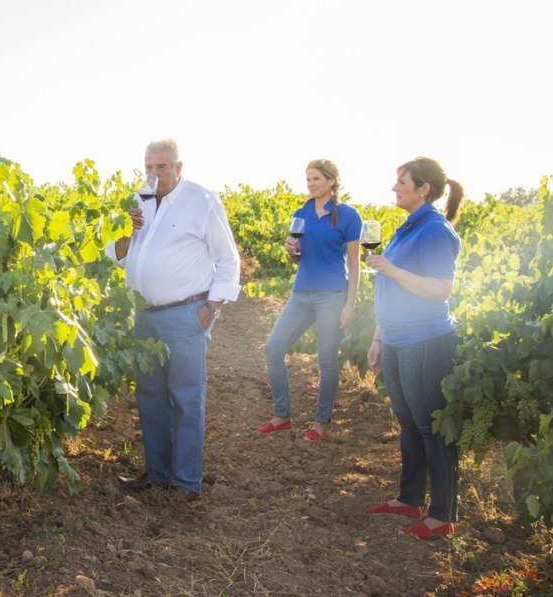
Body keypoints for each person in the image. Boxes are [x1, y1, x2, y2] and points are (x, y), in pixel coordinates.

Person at [105, 139, 241, 503]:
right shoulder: (140, 202)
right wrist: (128, 231)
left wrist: (212, 308)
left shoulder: (201, 201)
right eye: (148, 167)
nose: (153, 174)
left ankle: (185, 483)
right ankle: (157, 475)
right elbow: (116, 256)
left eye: (162, 167)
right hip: (145, 316)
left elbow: (228, 259)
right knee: (150, 396)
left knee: (185, 397)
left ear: (179, 168)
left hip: (186, 314)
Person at [364, 156, 464, 539]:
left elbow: (442, 289)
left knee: (430, 426)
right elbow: (389, 289)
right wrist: (378, 337)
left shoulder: (436, 231)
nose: (394, 188)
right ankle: (409, 499)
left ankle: (442, 515)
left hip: (424, 340)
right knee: (408, 422)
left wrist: (391, 269)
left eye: (402, 182)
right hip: (395, 338)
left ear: (423, 189)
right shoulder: (407, 227)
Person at [259, 159, 362, 441]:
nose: (311, 184)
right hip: (301, 292)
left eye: (316, 178)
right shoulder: (301, 213)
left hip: (332, 294)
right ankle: (282, 416)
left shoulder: (349, 216)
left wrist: (350, 304)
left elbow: (354, 263)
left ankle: (320, 423)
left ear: (331, 181)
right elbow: (296, 258)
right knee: (273, 348)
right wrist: (291, 250)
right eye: (308, 179)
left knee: (327, 360)